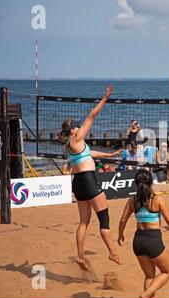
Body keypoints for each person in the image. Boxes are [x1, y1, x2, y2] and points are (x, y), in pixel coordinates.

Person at [58, 84, 121, 270]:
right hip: (88, 180)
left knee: (84, 222)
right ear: (72, 130)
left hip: (78, 183)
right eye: (77, 126)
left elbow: (87, 154)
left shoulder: (67, 146)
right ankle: (112, 252)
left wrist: (109, 155)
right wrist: (105, 98)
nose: (79, 127)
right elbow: (91, 116)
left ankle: (80, 256)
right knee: (104, 218)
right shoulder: (76, 138)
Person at [118, 169, 169, 298]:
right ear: (151, 182)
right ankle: (146, 295)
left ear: (136, 183)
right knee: (167, 271)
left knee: (149, 276)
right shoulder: (157, 199)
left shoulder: (132, 200)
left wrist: (120, 235)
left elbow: (122, 220)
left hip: (138, 241)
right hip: (152, 240)